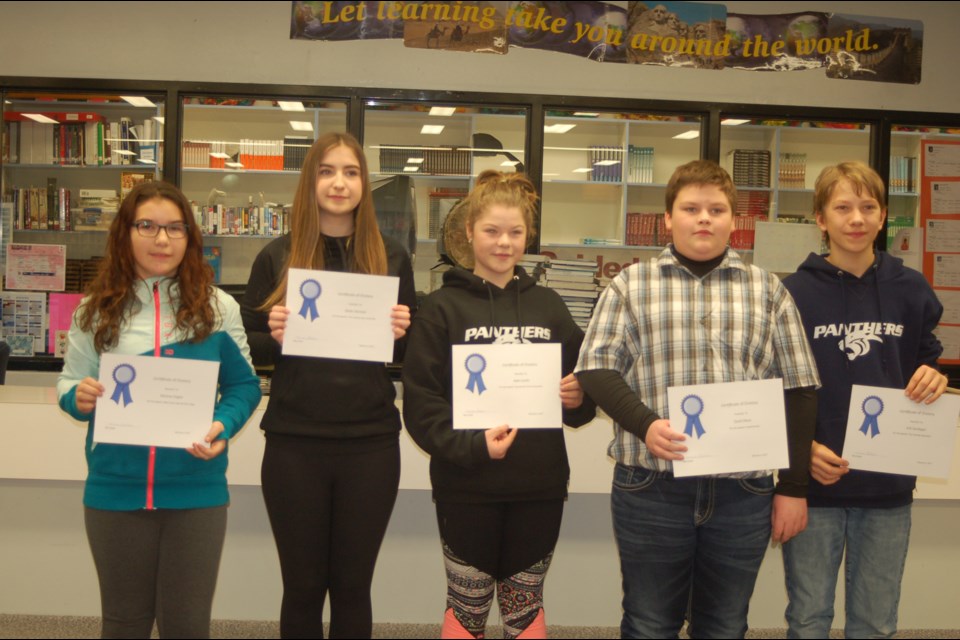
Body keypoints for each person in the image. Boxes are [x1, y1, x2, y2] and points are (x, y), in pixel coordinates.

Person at [575, 159, 821, 639]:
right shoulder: (630, 285)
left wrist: (793, 487)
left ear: (734, 220)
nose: (703, 218)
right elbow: (596, 369)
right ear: (669, 218)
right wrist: (646, 423)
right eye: (690, 208)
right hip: (651, 486)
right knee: (649, 622)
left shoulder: (768, 290)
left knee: (724, 625)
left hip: (742, 493)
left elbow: (800, 390)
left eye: (716, 209)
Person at [57, 181, 262, 639]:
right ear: (125, 233)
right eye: (147, 226)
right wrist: (79, 397)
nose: (162, 239)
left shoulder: (218, 308)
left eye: (175, 228)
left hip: (196, 492)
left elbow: (244, 386)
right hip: (115, 490)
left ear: (190, 238)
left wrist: (223, 425)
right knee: (123, 623)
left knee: (186, 626)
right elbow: (70, 382)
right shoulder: (93, 310)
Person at [402, 170, 596, 639]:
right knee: (467, 610)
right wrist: (472, 447)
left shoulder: (550, 307)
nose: (503, 243)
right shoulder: (441, 309)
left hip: (539, 485)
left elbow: (584, 392)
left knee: (525, 608)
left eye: (515, 232)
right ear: (469, 232)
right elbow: (421, 406)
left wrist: (577, 397)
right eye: (491, 231)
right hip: (465, 484)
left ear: (528, 236)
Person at [241, 131, 415, 639]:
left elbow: (405, 356)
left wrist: (404, 332)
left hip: (371, 445)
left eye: (351, 171)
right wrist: (273, 335)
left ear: (364, 183)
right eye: (327, 171)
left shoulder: (393, 256)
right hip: (295, 443)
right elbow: (245, 344)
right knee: (302, 586)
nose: (339, 183)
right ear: (309, 180)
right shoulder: (276, 256)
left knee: (353, 586)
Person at [781, 161, 947, 639]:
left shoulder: (910, 288)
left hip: (888, 487)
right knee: (808, 618)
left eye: (867, 207)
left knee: (875, 621)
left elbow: (926, 360)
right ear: (820, 218)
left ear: (882, 217)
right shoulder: (791, 293)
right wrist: (803, 450)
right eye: (843, 207)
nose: (856, 218)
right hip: (817, 484)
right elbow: (777, 385)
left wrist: (932, 377)